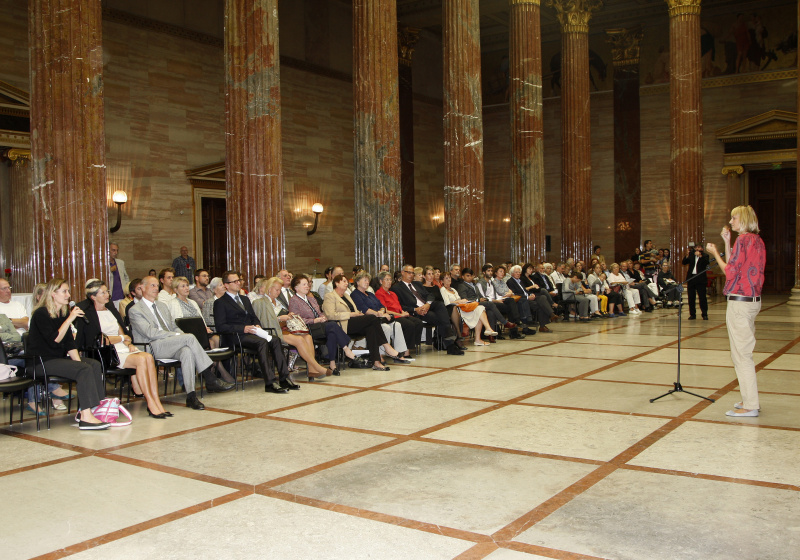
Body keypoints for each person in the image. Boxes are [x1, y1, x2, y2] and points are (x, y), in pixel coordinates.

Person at [129, 276, 234, 410]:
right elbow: (150, 333)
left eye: (157, 286)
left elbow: (173, 326)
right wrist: (179, 335)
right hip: (151, 346)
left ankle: (191, 396)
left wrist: (179, 334)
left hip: (169, 343)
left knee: (187, 351)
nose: (156, 288)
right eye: (152, 285)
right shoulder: (135, 310)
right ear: (142, 288)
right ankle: (209, 377)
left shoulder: (161, 306)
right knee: (189, 338)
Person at [75, 280, 171, 418]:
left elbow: (124, 334)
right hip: (107, 351)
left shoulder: (110, 310)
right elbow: (101, 340)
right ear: (93, 297)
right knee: (141, 360)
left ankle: (156, 401)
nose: (107, 294)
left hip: (121, 347)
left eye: (107, 291)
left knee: (148, 357)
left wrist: (129, 343)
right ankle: (150, 403)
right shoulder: (89, 315)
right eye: (102, 292)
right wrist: (121, 339)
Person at [706, 206, 766, 418]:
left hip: (740, 303)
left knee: (742, 355)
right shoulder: (755, 240)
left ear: (745, 219)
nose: (730, 221)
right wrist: (726, 242)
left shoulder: (744, 240)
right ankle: (749, 397)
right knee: (742, 352)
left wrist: (714, 253)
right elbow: (737, 265)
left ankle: (750, 404)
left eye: (734, 217)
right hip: (751, 301)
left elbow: (730, 272)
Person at [27, 278, 108, 430]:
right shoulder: (40, 314)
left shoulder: (62, 315)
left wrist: (78, 362)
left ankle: (96, 408)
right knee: (83, 369)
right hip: (40, 362)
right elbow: (54, 340)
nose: (68, 295)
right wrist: (70, 319)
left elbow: (70, 344)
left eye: (68, 291)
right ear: (52, 294)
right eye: (64, 291)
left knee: (92, 364)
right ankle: (86, 417)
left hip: (57, 360)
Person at [214, 270, 297, 393]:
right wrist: (243, 328)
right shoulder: (220, 302)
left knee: (275, 339)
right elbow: (221, 327)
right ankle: (270, 382)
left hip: (252, 332)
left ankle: (284, 378)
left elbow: (253, 316)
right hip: (235, 336)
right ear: (226, 285)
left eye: (239, 280)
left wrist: (257, 324)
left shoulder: (244, 299)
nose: (238, 283)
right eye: (235, 281)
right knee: (262, 342)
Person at [253, 277, 331, 381]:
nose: (278, 292)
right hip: (273, 331)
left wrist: (288, 315)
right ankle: (316, 367)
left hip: (286, 328)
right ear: (269, 289)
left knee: (308, 337)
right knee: (299, 340)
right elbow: (261, 321)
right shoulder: (260, 302)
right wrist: (280, 318)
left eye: (280, 289)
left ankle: (312, 370)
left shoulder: (278, 302)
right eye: (276, 289)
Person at [323, 274, 405, 370]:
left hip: (353, 322)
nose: (347, 283)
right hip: (342, 324)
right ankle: (387, 346)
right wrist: (350, 314)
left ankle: (376, 362)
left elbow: (355, 310)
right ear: (336, 283)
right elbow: (330, 315)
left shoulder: (346, 296)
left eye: (347, 281)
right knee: (372, 318)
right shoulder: (330, 296)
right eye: (344, 281)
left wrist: (358, 314)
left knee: (371, 328)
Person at [169, 276, 234, 383]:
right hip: (185, 335)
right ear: (176, 290)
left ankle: (211, 371)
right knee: (211, 343)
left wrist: (205, 328)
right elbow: (175, 324)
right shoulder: (173, 303)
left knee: (216, 339)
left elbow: (201, 319)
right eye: (183, 286)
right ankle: (219, 373)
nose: (186, 288)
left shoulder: (192, 302)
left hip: (199, 333)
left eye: (187, 286)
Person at [289, 274, 357, 375]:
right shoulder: (294, 300)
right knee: (332, 325)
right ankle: (346, 349)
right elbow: (296, 319)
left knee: (332, 332)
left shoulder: (311, 299)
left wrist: (323, 317)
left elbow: (319, 312)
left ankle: (332, 364)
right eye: (304, 284)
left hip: (320, 325)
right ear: (296, 287)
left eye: (307, 284)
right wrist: (314, 321)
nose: (307, 286)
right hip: (308, 328)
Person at [391, 264, 463, 355]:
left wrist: (428, 304)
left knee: (440, 305)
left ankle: (449, 344)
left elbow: (430, 295)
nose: (411, 275)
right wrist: (415, 309)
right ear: (402, 273)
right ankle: (450, 344)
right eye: (409, 272)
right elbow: (400, 305)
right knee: (441, 317)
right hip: (416, 312)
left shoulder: (417, 284)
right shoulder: (396, 288)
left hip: (426, 306)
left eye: (413, 273)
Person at [350, 272, 412, 362]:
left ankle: (399, 353)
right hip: (369, 321)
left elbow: (382, 306)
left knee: (397, 325)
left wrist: (382, 312)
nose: (367, 282)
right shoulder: (355, 294)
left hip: (380, 318)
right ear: (358, 282)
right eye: (365, 280)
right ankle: (380, 355)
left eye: (368, 281)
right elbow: (364, 309)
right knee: (385, 328)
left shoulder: (370, 294)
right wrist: (378, 313)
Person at [374, 271, 424, 352]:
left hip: (400, 314)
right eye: (386, 280)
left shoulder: (393, 293)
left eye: (390, 280)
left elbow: (399, 306)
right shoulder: (379, 293)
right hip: (392, 317)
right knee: (409, 325)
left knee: (418, 322)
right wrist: (400, 315)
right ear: (381, 281)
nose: (389, 282)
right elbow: (385, 310)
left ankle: (413, 346)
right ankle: (405, 350)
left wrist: (404, 312)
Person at [440, 274, 497, 346]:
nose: (449, 280)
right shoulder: (443, 290)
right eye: (446, 278)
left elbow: (459, 299)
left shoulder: (453, 289)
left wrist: (463, 301)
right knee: (478, 311)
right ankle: (484, 332)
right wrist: (458, 302)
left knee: (480, 308)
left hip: (463, 307)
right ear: (442, 281)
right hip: (455, 310)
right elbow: (447, 303)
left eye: (449, 278)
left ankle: (483, 333)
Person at [682, 245, 709, 320]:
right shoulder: (691, 255)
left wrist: (700, 256)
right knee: (691, 297)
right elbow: (684, 262)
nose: (697, 249)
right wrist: (687, 255)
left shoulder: (705, 256)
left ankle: (704, 314)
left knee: (702, 297)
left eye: (699, 247)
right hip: (691, 278)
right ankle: (692, 314)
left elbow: (706, 263)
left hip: (700, 279)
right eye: (696, 247)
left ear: (702, 249)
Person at [108, 242, 130, 309]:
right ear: (108, 251)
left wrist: (127, 289)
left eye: (117, 250)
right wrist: (109, 271)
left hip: (122, 295)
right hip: (111, 295)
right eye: (113, 250)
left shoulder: (120, 262)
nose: (116, 252)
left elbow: (126, 277)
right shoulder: (104, 263)